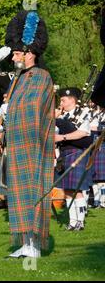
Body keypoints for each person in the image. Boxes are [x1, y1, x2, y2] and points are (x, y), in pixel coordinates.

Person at [4, 10, 53, 258]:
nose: (13, 56)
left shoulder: (41, 76)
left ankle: (34, 244)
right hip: (17, 144)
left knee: (33, 193)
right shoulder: (19, 78)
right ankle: (25, 242)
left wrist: (10, 107)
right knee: (19, 195)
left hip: (34, 145)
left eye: (16, 53)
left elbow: (33, 107)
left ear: (29, 52)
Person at [54, 88, 93, 230]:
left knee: (77, 189)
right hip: (64, 153)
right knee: (67, 190)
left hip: (77, 152)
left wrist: (62, 137)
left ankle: (80, 222)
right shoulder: (62, 116)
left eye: (63, 99)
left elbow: (83, 133)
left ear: (72, 100)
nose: (61, 102)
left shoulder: (84, 113)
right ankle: (72, 222)